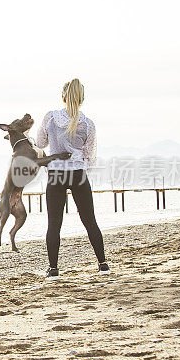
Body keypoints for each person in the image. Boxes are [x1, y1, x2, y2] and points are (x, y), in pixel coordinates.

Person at [36, 78, 110, 279]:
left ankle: (53, 269)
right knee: (89, 221)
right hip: (78, 174)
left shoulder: (50, 118)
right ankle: (103, 264)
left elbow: (40, 143)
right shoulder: (88, 124)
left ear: (63, 96)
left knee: (54, 224)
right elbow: (89, 155)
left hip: (56, 174)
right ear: (82, 99)